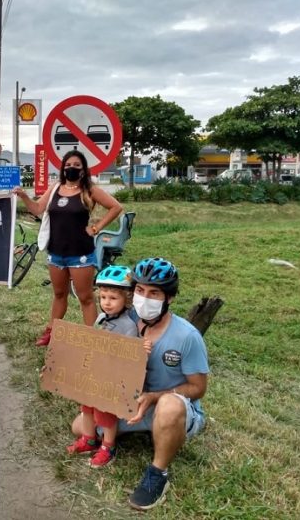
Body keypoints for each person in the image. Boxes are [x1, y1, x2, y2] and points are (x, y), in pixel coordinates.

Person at [71, 257, 210, 510]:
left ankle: (158, 473)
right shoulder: (122, 321)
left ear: (169, 298)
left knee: (169, 407)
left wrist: (154, 397)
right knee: (80, 427)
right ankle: (135, 433)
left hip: (166, 404)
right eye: (139, 290)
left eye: (154, 293)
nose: (144, 298)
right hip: (130, 400)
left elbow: (198, 388)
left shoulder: (187, 336)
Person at [13, 150, 123, 345]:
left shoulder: (89, 190)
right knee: (59, 294)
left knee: (86, 298)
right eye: (68, 165)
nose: (72, 168)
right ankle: (51, 331)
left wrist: (96, 228)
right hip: (56, 253)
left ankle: (92, 339)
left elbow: (116, 207)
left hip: (80, 254)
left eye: (77, 166)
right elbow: (38, 209)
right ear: (63, 168)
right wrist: (23, 196)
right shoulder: (55, 188)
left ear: (83, 170)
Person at [66, 265, 152, 468]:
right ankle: (88, 439)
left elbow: (130, 356)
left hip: (112, 379)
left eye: (113, 298)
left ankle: (108, 446)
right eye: (103, 297)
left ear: (127, 299)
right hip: (95, 373)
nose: (107, 303)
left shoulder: (128, 326)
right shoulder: (100, 318)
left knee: (105, 414)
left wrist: (140, 350)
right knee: (86, 407)